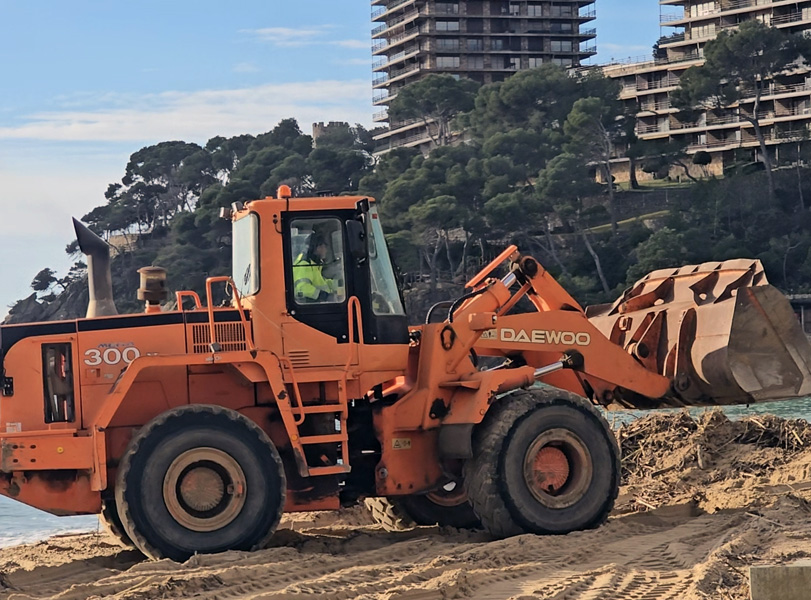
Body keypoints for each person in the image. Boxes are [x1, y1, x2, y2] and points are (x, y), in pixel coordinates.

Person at [293, 233, 338, 302]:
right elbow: (302, 288)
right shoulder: (304, 264)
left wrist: (341, 284)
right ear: (318, 248)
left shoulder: (314, 264)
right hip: (309, 307)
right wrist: (323, 296)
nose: (326, 250)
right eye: (324, 247)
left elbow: (321, 282)